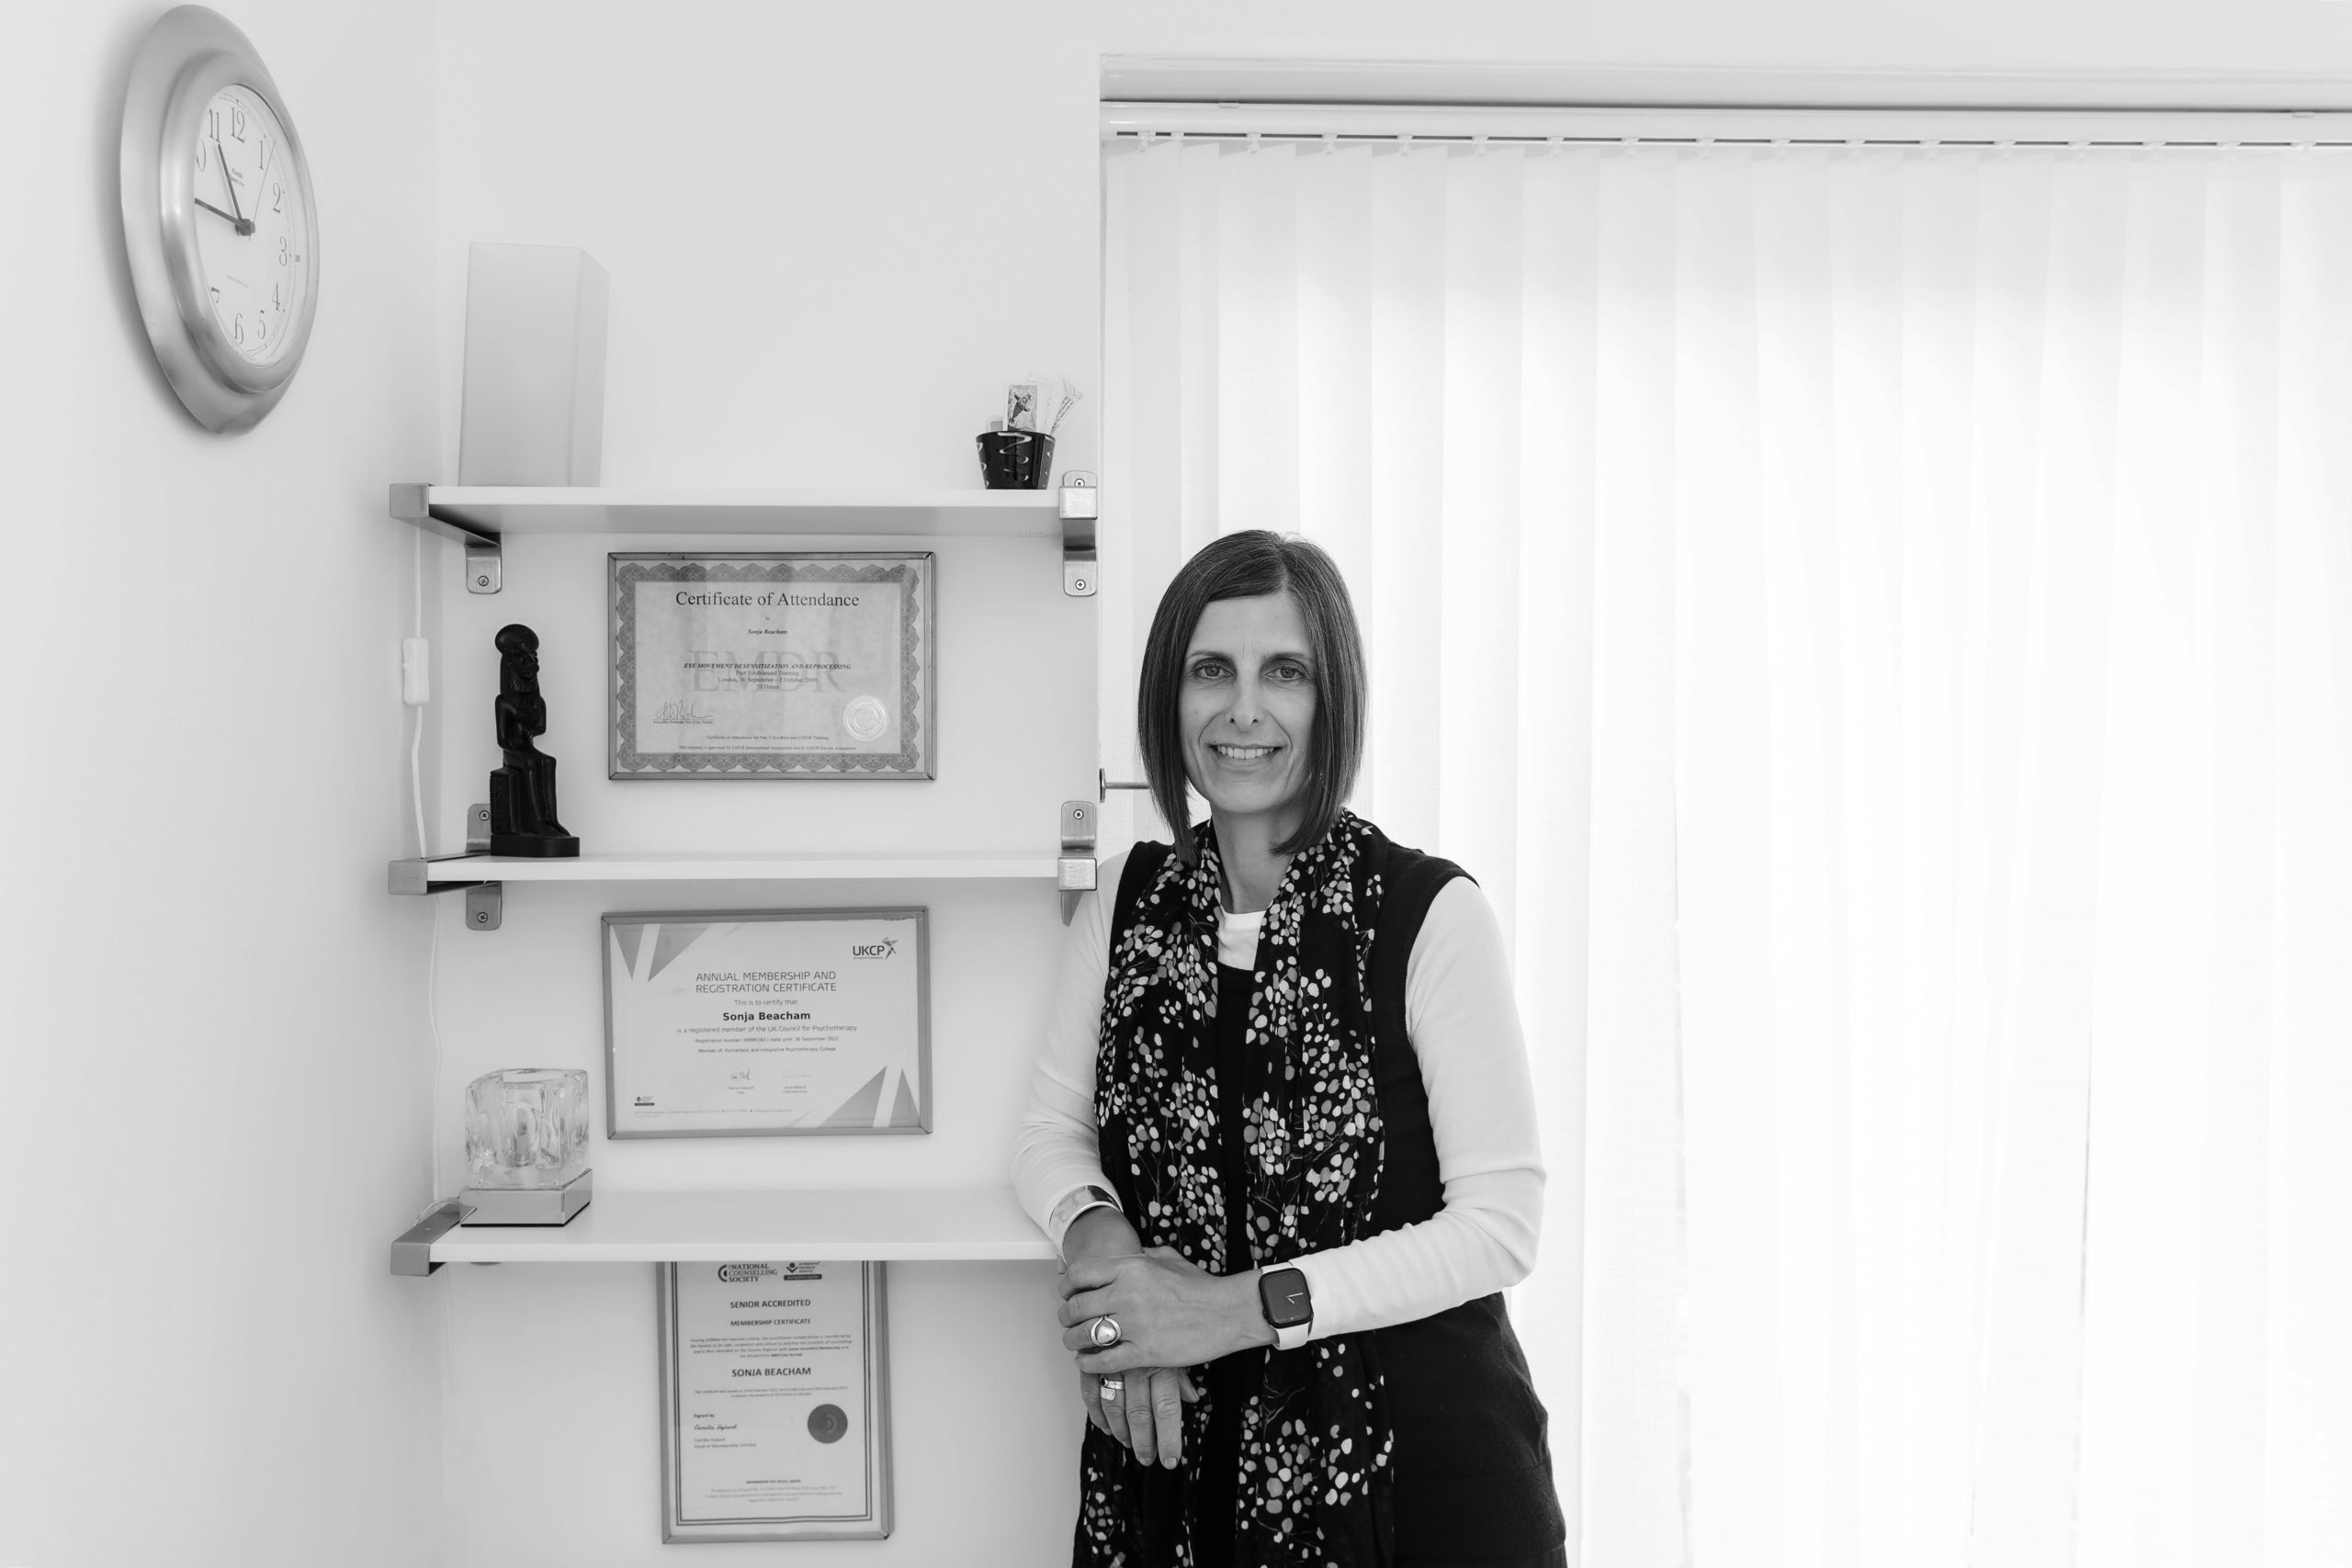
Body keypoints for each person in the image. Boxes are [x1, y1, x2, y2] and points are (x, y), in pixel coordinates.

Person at [1012, 531, 1566, 1567]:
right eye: (1210, 669)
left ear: (1332, 698)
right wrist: (1104, 1252)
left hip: (1424, 1478)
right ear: (1169, 696)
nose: (1243, 709)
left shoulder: (1428, 912)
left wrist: (1225, 1312)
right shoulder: (1125, 901)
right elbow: (1050, 1132)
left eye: (1285, 672)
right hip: (1180, 1471)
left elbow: (1500, 1227)